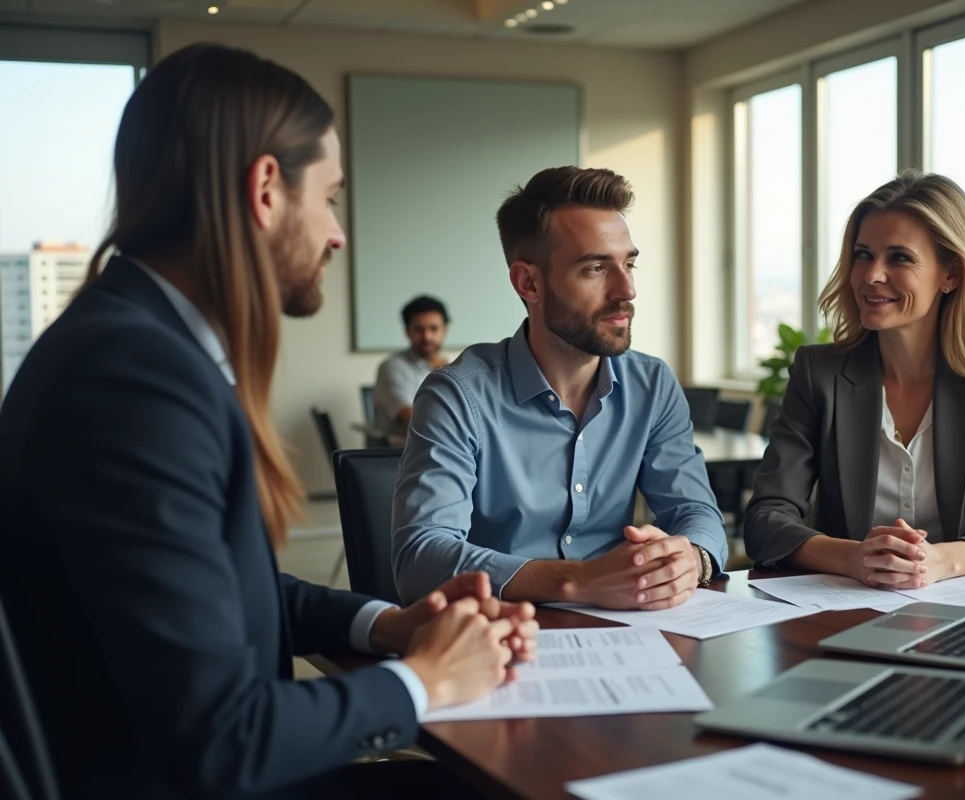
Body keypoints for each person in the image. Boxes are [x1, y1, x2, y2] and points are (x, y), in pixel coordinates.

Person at [0, 43, 537, 800]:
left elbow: (229, 592)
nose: (337, 234)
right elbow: (223, 742)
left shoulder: (132, 345)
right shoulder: (137, 383)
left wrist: (390, 626)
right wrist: (426, 682)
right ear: (265, 190)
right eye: (331, 198)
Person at [391, 166, 728, 608]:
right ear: (529, 283)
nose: (627, 289)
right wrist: (577, 580)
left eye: (629, 264)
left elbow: (695, 512)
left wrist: (694, 557)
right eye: (595, 268)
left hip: (630, 631)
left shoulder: (653, 384)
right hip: (500, 637)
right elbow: (420, 559)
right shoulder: (456, 395)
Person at [745, 171, 965, 586]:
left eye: (899, 257)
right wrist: (853, 557)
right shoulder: (818, 373)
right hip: (851, 607)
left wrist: (942, 562)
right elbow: (765, 520)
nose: (871, 275)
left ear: (951, 274)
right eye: (862, 254)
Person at [373, 295, 450, 444]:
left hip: (440, 447)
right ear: (407, 331)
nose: (427, 336)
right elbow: (409, 415)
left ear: (445, 331)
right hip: (396, 457)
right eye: (418, 329)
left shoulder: (452, 366)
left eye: (434, 329)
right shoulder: (392, 367)